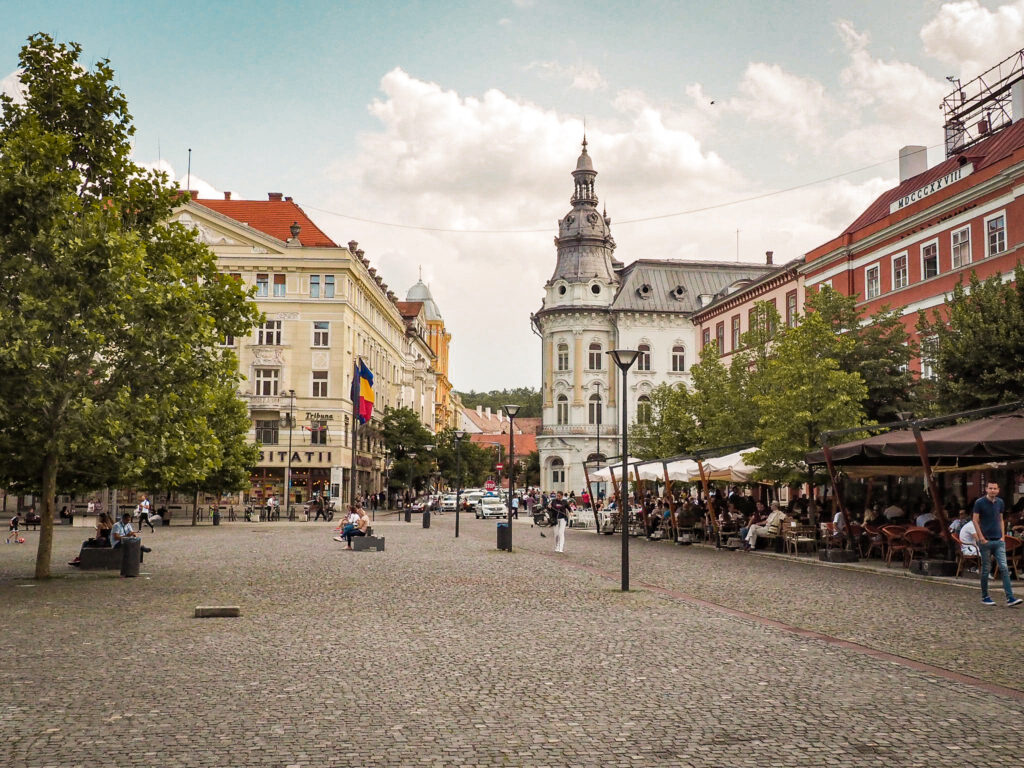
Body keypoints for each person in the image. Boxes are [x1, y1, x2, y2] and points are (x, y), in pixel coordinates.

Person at [972, 481, 1022, 606]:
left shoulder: (1000, 502)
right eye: (990, 488)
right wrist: (981, 538)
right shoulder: (979, 503)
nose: (993, 490)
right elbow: (975, 520)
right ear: (986, 489)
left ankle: (1010, 597)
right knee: (986, 570)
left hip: (998, 540)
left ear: (998, 490)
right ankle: (985, 596)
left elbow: (1001, 519)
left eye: (995, 488)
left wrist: (1002, 536)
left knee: (1004, 568)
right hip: (986, 541)